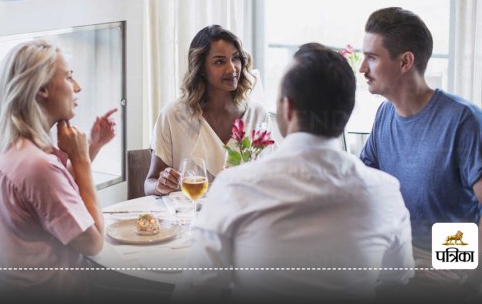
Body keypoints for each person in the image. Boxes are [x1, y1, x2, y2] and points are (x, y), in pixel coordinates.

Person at [175, 43, 415, 302]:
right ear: (348, 113)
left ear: (287, 108)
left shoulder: (234, 187)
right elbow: (398, 279)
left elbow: (197, 290)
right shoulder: (386, 192)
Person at [359, 7, 482, 299]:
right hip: (395, 259)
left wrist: (461, 269)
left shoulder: (464, 120)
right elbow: (364, 186)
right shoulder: (384, 114)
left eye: (372, 58)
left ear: (405, 62)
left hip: (441, 261)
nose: (362, 67)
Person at [0, 39, 117, 299]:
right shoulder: (38, 166)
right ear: (42, 89)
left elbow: (56, 204)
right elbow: (94, 242)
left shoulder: (4, 151)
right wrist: (81, 160)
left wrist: (91, 148)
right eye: (68, 77)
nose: (77, 87)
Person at [144, 25, 278, 196]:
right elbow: (150, 182)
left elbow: (272, 178)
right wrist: (160, 185)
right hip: (189, 218)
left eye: (235, 58)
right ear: (201, 69)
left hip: (243, 217)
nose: (232, 68)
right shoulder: (173, 115)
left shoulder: (257, 114)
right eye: (220, 62)